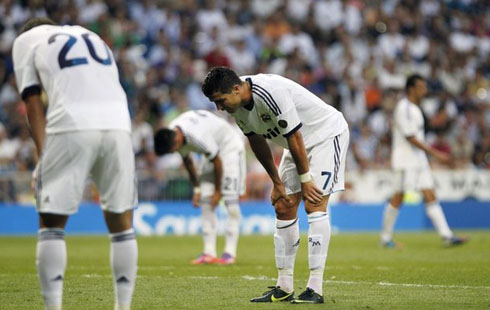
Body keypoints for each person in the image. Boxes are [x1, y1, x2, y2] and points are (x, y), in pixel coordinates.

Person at [12, 18, 138, 310]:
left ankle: (53, 307)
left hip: (71, 123)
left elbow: (32, 103)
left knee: (52, 222)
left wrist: (43, 158)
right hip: (119, 124)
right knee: (121, 222)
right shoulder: (91, 36)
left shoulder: (26, 41)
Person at [202, 67, 349, 304]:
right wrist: (276, 183)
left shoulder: (270, 92)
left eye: (220, 101)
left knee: (314, 204)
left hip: (325, 135)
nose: (220, 107)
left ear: (236, 89)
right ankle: (284, 286)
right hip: (295, 144)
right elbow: (257, 141)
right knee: (283, 205)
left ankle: (315, 288)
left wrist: (305, 179)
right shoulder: (237, 107)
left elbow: (295, 135)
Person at [380, 74, 468, 248]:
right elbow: (410, 137)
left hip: (418, 160)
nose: (425, 90)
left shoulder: (415, 108)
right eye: (421, 87)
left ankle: (447, 236)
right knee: (399, 197)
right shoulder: (404, 108)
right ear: (411, 89)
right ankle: (385, 238)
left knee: (430, 194)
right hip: (405, 160)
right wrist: (437, 154)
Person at [154, 109, 245, 265]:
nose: (175, 152)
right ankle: (208, 252)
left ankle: (229, 253)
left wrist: (218, 192)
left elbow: (217, 160)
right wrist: (196, 189)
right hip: (211, 153)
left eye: (173, 150)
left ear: (176, 141)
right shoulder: (173, 132)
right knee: (205, 201)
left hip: (228, 148)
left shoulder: (196, 137)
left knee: (230, 203)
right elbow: (188, 161)